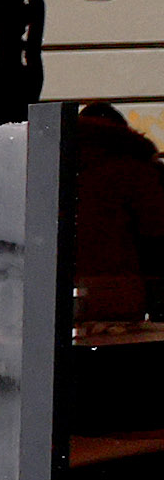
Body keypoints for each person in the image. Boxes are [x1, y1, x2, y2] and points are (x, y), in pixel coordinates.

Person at [71, 103, 164, 322]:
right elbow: (155, 232)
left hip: (54, 287)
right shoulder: (139, 170)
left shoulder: (51, 164)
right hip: (121, 287)